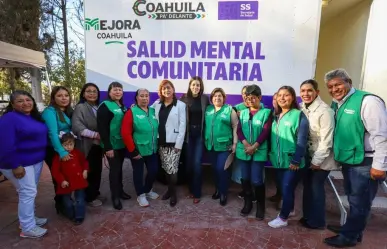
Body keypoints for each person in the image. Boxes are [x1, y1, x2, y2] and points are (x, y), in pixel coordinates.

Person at [323, 69, 387, 248]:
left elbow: (382, 135)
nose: (334, 89)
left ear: (349, 81)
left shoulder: (368, 101)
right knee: (353, 198)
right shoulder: (338, 103)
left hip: (366, 162)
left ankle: (349, 236)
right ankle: (352, 229)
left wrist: (380, 165)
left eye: (338, 84)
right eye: (330, 87)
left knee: (360, 201)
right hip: (350, 160)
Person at [0, 91, 48, 238]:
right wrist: (15, 164)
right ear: (13, 104)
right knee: (28, 192)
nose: (25, 103)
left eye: (28, 100)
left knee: (28, 191)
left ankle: (29, 219)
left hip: (35, 161)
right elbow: (5, 144)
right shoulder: (9, 119)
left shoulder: (32, 117)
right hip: (20, 163)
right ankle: (27, 227)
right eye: (20, 101)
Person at [268, 86, 309, 228]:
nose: (282, 98)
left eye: (286, 95)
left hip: (293, 162)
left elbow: (302, 140)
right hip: (278, 161)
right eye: (280, 95)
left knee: (286, 187)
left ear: (292, 97)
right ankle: (290, 209)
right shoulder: (275, 116)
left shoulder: (299, 115)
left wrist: (296, 159)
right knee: (283, 187)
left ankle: (283, 218)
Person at [298, 79, 338, 230]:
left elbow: (326, 140)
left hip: (321, 158)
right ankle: (308, 216)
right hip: (308, 155)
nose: (306, 94)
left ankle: (318, 221)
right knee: (307, 186)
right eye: (303, 91)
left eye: (309, 90)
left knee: (316, 188)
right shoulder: (302, 108)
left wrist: (317, 161)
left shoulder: (325, 111)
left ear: (317, 92)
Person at [236, 85, 272, 220]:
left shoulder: (266, 113)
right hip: (244, 150)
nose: (250, 100)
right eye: (247, 98)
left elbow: (266, 131)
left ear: (259, 98)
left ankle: (261, 207)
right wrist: (246, 144)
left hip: (258, 151)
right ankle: (247, 203)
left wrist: (254, 146)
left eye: (253, 98)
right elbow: (239, 130)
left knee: (257, 180)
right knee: (245, 178)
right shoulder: (243, 113)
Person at [121, 88, 160, 207]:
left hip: (152, 148)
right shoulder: (131, 112)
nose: (144, 98)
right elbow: (125, 133)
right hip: (138, 150)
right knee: (138, 173)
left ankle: (148, 190)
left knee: (154, 170)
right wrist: (133, 151)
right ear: (137, 98)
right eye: (141, 96)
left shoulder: (153, 111)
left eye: (146, 96)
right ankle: (140, 195)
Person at [152, 80, 186, 207]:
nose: (167, 90)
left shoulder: (180, 105)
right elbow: (145, 111)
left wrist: (179, 144)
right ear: (160, 91)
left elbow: (183, 126)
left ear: (173, 89)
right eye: (164, 88)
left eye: (169, 88)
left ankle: (173, 194)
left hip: (174, 142)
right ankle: (170, 189)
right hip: (161, 141)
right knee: (166, 168)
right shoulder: (156, 104)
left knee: (173, 169)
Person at [97, 82, 131, 210]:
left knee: (119, 170)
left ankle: (120, 192)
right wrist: (108, 147)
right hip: (112, 145)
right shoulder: (105, 106)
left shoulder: (121, 106)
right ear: (109, 92)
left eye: (120, 90)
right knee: (114, 172)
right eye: (115, 90)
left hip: (121, 144)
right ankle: (115, 197)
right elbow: (103, 129)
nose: (118, 92)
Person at [204, 88, 238, 206]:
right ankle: (218, 189)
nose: (217, 98)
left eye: (220, 96)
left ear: (224, 98)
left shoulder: (229, 110)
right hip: (211, 145)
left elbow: (235, 126)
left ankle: (223, 192)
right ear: (211, 98)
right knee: (214, 169)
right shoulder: (208, 109)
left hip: (225, 146)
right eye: (215, 96)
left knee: (222, 169)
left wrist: (235, 143)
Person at [72, 83, 104, 207]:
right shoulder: (80, 107)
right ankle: (89, 198)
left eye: (94, 91)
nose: (92, 94)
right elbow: (77, 127)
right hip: (86, 146)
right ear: (83, 94)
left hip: (97, 146)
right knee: (88, 172)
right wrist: (96, 135)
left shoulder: (99, 107)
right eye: (89, 91)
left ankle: (94, 193)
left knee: (97, 171)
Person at [42, 86, 72, 214]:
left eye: (66, 95)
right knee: (59, 178)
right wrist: (61, 152)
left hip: (65, 148)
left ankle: (66, 203)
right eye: (60, 95)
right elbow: (52, 133)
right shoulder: (50, 112)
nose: (64, 98)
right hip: (54, 150)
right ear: (53, 98)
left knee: (66, 177)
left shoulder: (66, 111)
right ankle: (62, 207)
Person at [179, 76, 210, 204]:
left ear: (200, 87)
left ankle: (197, 192)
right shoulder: (184, 98)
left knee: (197, 164)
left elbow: (210, 112)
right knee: (188, 165)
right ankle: (191, 188)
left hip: (199, 136)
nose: (195, 87)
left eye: (198, 85)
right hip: (187, 135)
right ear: (190, 86)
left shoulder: (204, 99)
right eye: (193, 85)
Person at [51, 132, 89, 225]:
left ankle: (79, 216)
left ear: (74, 144)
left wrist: (85, 170)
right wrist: (62, 180)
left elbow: (85, 162)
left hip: (78, 180)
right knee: (67, 201)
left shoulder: (78, 153)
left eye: (70, 144)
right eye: (65, 145)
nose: (68, 147)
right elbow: (55, 171)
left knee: (80, 199)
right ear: (61, 145)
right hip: (66, 183)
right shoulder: (58, 157)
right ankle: (71, 214)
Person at [232, 86, 249, 198]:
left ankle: (253, 192)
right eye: (243, 93)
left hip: (256, 144)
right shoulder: (236, 108)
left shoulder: (261, 107)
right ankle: (245, 190)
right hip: (241, 143)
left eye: (248, 93)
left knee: (255, 171)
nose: (246, 95)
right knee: (242, 170)